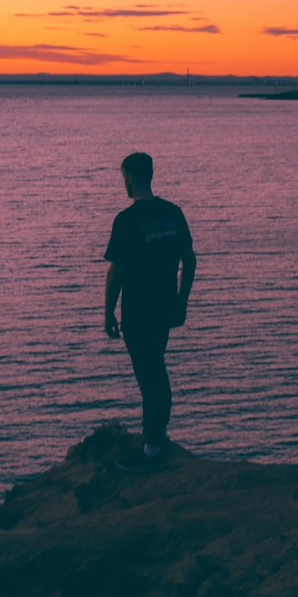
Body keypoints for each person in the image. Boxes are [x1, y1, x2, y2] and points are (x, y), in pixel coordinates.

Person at [103, 151, 196, 467]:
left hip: (138, 312)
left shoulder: (127, 220)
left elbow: (117, 271)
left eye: (123, 178)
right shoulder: (172, 213)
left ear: (129, 177)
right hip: (164, 310)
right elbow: (190, 259)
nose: (124, 183)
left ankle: (152, 448)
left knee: (151, 376)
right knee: (155, 368)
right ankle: (158, 435)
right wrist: (181, 302)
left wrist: (107, 313)